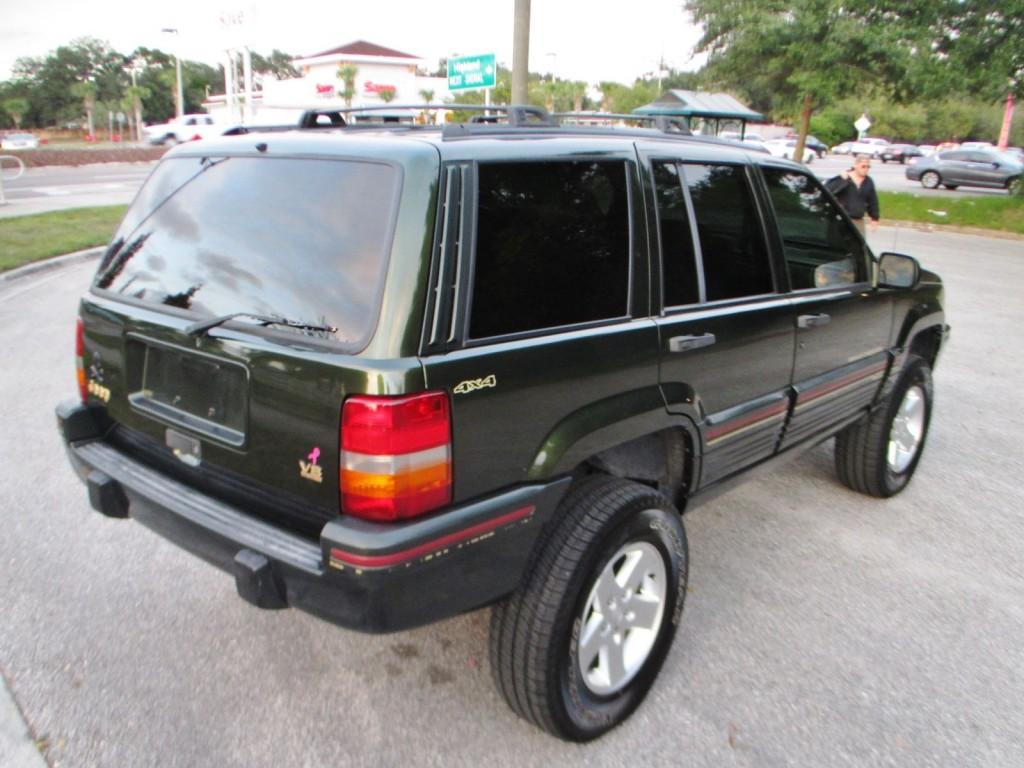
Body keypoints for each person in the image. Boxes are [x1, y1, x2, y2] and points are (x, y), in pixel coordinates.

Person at [825, 154, 879, 234]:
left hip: (858, 221)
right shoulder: (844, 177)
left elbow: (872, 201)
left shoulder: (868, 182)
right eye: (863, 166)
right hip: (842, 220)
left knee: (858, 241)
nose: (866, 169)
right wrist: (843, 180)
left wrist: (874, 218)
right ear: (856, 165)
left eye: (868, 167)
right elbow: (828, 190)